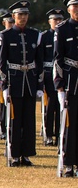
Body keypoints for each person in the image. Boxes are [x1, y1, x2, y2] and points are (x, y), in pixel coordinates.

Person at [0, 0, 42, 167]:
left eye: (25, 14)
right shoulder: (6, 35)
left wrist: (39, 85)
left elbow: (39, 62)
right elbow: (1, 63)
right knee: (15, 120)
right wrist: (4, 85)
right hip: (14, 82)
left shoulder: (34, 35)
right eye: (19, 15)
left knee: (29, 120)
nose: (22, 17)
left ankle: (27, 154)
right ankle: (14, 154)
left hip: (29, 82)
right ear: (13, 16)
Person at [54, 0, 78, 176]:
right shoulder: (62, 29)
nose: (77, 10)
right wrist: (59, 85)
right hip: (71, 80)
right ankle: (68, 162)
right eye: (74, 7)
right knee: (70, 123)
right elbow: (58, 59)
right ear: (69, 9)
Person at [39, 9, 65, 146]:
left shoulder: (64, 34)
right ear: (49, 21)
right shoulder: (44, 37)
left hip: (61, 75)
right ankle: (48, 134)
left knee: (62, 107)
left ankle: (60, 133)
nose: (58, 22)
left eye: (60, 19)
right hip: (48, 76)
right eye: (55, 20)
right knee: (50, 107)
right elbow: (40, 59)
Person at [0, 11, 14, 140]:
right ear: (4, 23)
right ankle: (2, 127)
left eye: (13, 22)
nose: (11, 24)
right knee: (3, 105)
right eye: (9, 22)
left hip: (15, 74)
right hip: (3, 75)